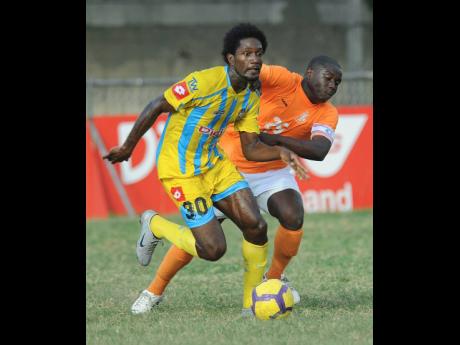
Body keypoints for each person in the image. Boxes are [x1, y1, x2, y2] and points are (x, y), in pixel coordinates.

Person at [103, 23, 307, 316]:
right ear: (230, 58)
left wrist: (281, 152)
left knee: (257, 226)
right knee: (213, 250)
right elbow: (157, 104)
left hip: (215, 166)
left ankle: (251, 306)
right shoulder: (204, 82)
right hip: (181, 171)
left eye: (258, 53)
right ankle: (155, 225)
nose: (254, 59)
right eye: (246, 53)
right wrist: (128, 147)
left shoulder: (250, 96)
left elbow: (251, 148)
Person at [129, 55, 343, 316]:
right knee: (204, 238)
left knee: (293, 214)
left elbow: (320, 149)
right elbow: (245, 71)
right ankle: (153, 291)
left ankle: (273, 279)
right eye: (328, 78)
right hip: (230, 168)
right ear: (309, 73)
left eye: (338, 82)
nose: (333, 85)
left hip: (272, 172)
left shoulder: (328, 112)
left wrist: (273, 140)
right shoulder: (284, 79)